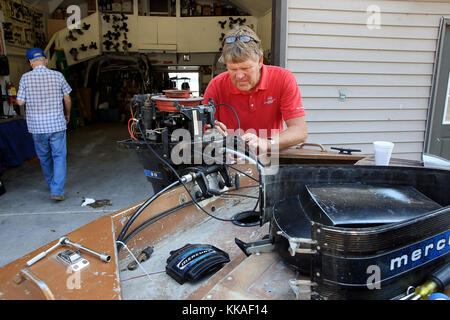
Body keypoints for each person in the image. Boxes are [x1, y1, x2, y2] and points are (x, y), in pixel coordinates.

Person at [203, 25, 307, 154]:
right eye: (233, 69)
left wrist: (266, 143)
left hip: (268, 158)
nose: (239, 76)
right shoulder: (216, 85)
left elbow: (299, 130)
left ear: (260, 61)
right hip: (228, 161)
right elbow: (199, 132)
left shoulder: (283, 79)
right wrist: (210, 130)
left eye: (246, 68)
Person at [16, 48, 72, 201]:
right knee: (59, 156)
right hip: (57, 124)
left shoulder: (25, 78)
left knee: (44, 157)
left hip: (37, 126)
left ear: (30, 62)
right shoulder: (58, 75)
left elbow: (20, 101)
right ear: (46, 61)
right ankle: (57, 189)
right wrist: (67, 114)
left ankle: (51, 184)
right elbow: (67, 99)